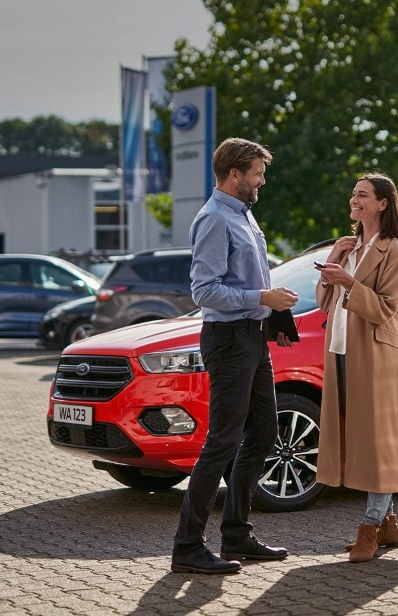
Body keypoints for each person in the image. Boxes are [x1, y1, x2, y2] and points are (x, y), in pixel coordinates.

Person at [170, 137, 300, 575]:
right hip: (226, 339)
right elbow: (204, 291)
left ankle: (236, 534)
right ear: (235, 174)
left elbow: (254, 278)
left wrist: (273, 311)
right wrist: (262, 295)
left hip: (251, 336)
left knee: (264, 431)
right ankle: (187, 545)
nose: (262, 180)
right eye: (258, 172)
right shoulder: (213, 219)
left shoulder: (244, 216)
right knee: (223, 440)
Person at [313, 173, 398, 563]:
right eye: (353, 194)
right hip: (341, 353)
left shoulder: (394, 251)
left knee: (378, 443)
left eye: (363, 195)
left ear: (382, 203)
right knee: (361, 442)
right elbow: (322, 302)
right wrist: (335, 261)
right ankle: (388, 524)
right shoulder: (348, 246)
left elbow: (386, 308)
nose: (355, 199)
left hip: (378, 356)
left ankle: (370, 528)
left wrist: (350, 281)